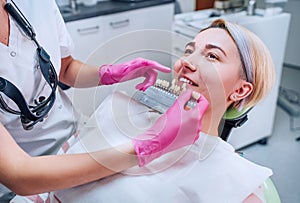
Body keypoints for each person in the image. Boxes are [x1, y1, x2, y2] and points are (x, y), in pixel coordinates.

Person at [0, 0, 208, 202]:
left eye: (212, 56)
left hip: (73, 140)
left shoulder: (38, 4)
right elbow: (20, 176)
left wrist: (108, 74)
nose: (188, 63)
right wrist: (149, 147)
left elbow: (64, 68)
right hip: (29, 175)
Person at [48, 18, 276, 203]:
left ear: (240, 91)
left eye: (212, 56)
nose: (184, 62)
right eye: (189, 51)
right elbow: (41, 184)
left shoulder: (236, 180)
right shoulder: (119, 112)